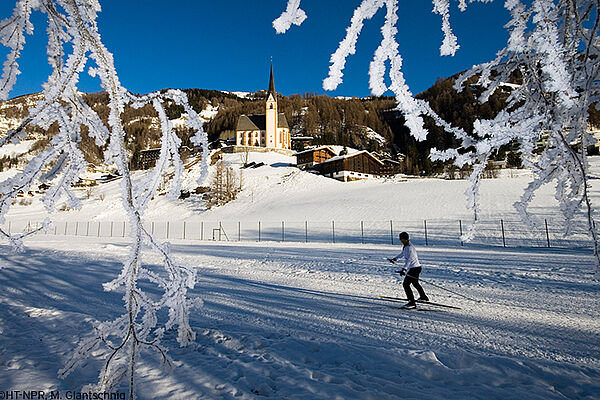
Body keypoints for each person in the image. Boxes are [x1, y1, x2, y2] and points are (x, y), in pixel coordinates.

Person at [390, 231, 429, 309]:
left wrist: (404, 269)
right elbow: (402, 254)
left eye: (402, 239)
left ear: (406, 239)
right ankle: (423, 297)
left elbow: (409, 260)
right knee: (415, 283)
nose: (401, 241)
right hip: (416, 268)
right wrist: (395, 259)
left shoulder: (409, 247)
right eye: (401, 239)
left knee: (406, 284)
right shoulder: (406, 246)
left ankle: (412, 303)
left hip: (414, 268)